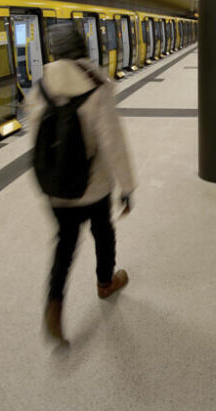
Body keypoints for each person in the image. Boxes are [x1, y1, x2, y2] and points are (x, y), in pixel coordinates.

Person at [28, 22, 137, 344]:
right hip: (93, 187)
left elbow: (37, 134)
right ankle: (106, 282)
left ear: (54, 51)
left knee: (64, 244)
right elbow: (112, 143)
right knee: (103, 232)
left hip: (56, 188)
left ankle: (54, 304)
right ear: (83, 48)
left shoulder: (42, 85)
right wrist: (127, 187)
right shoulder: (96, 85)